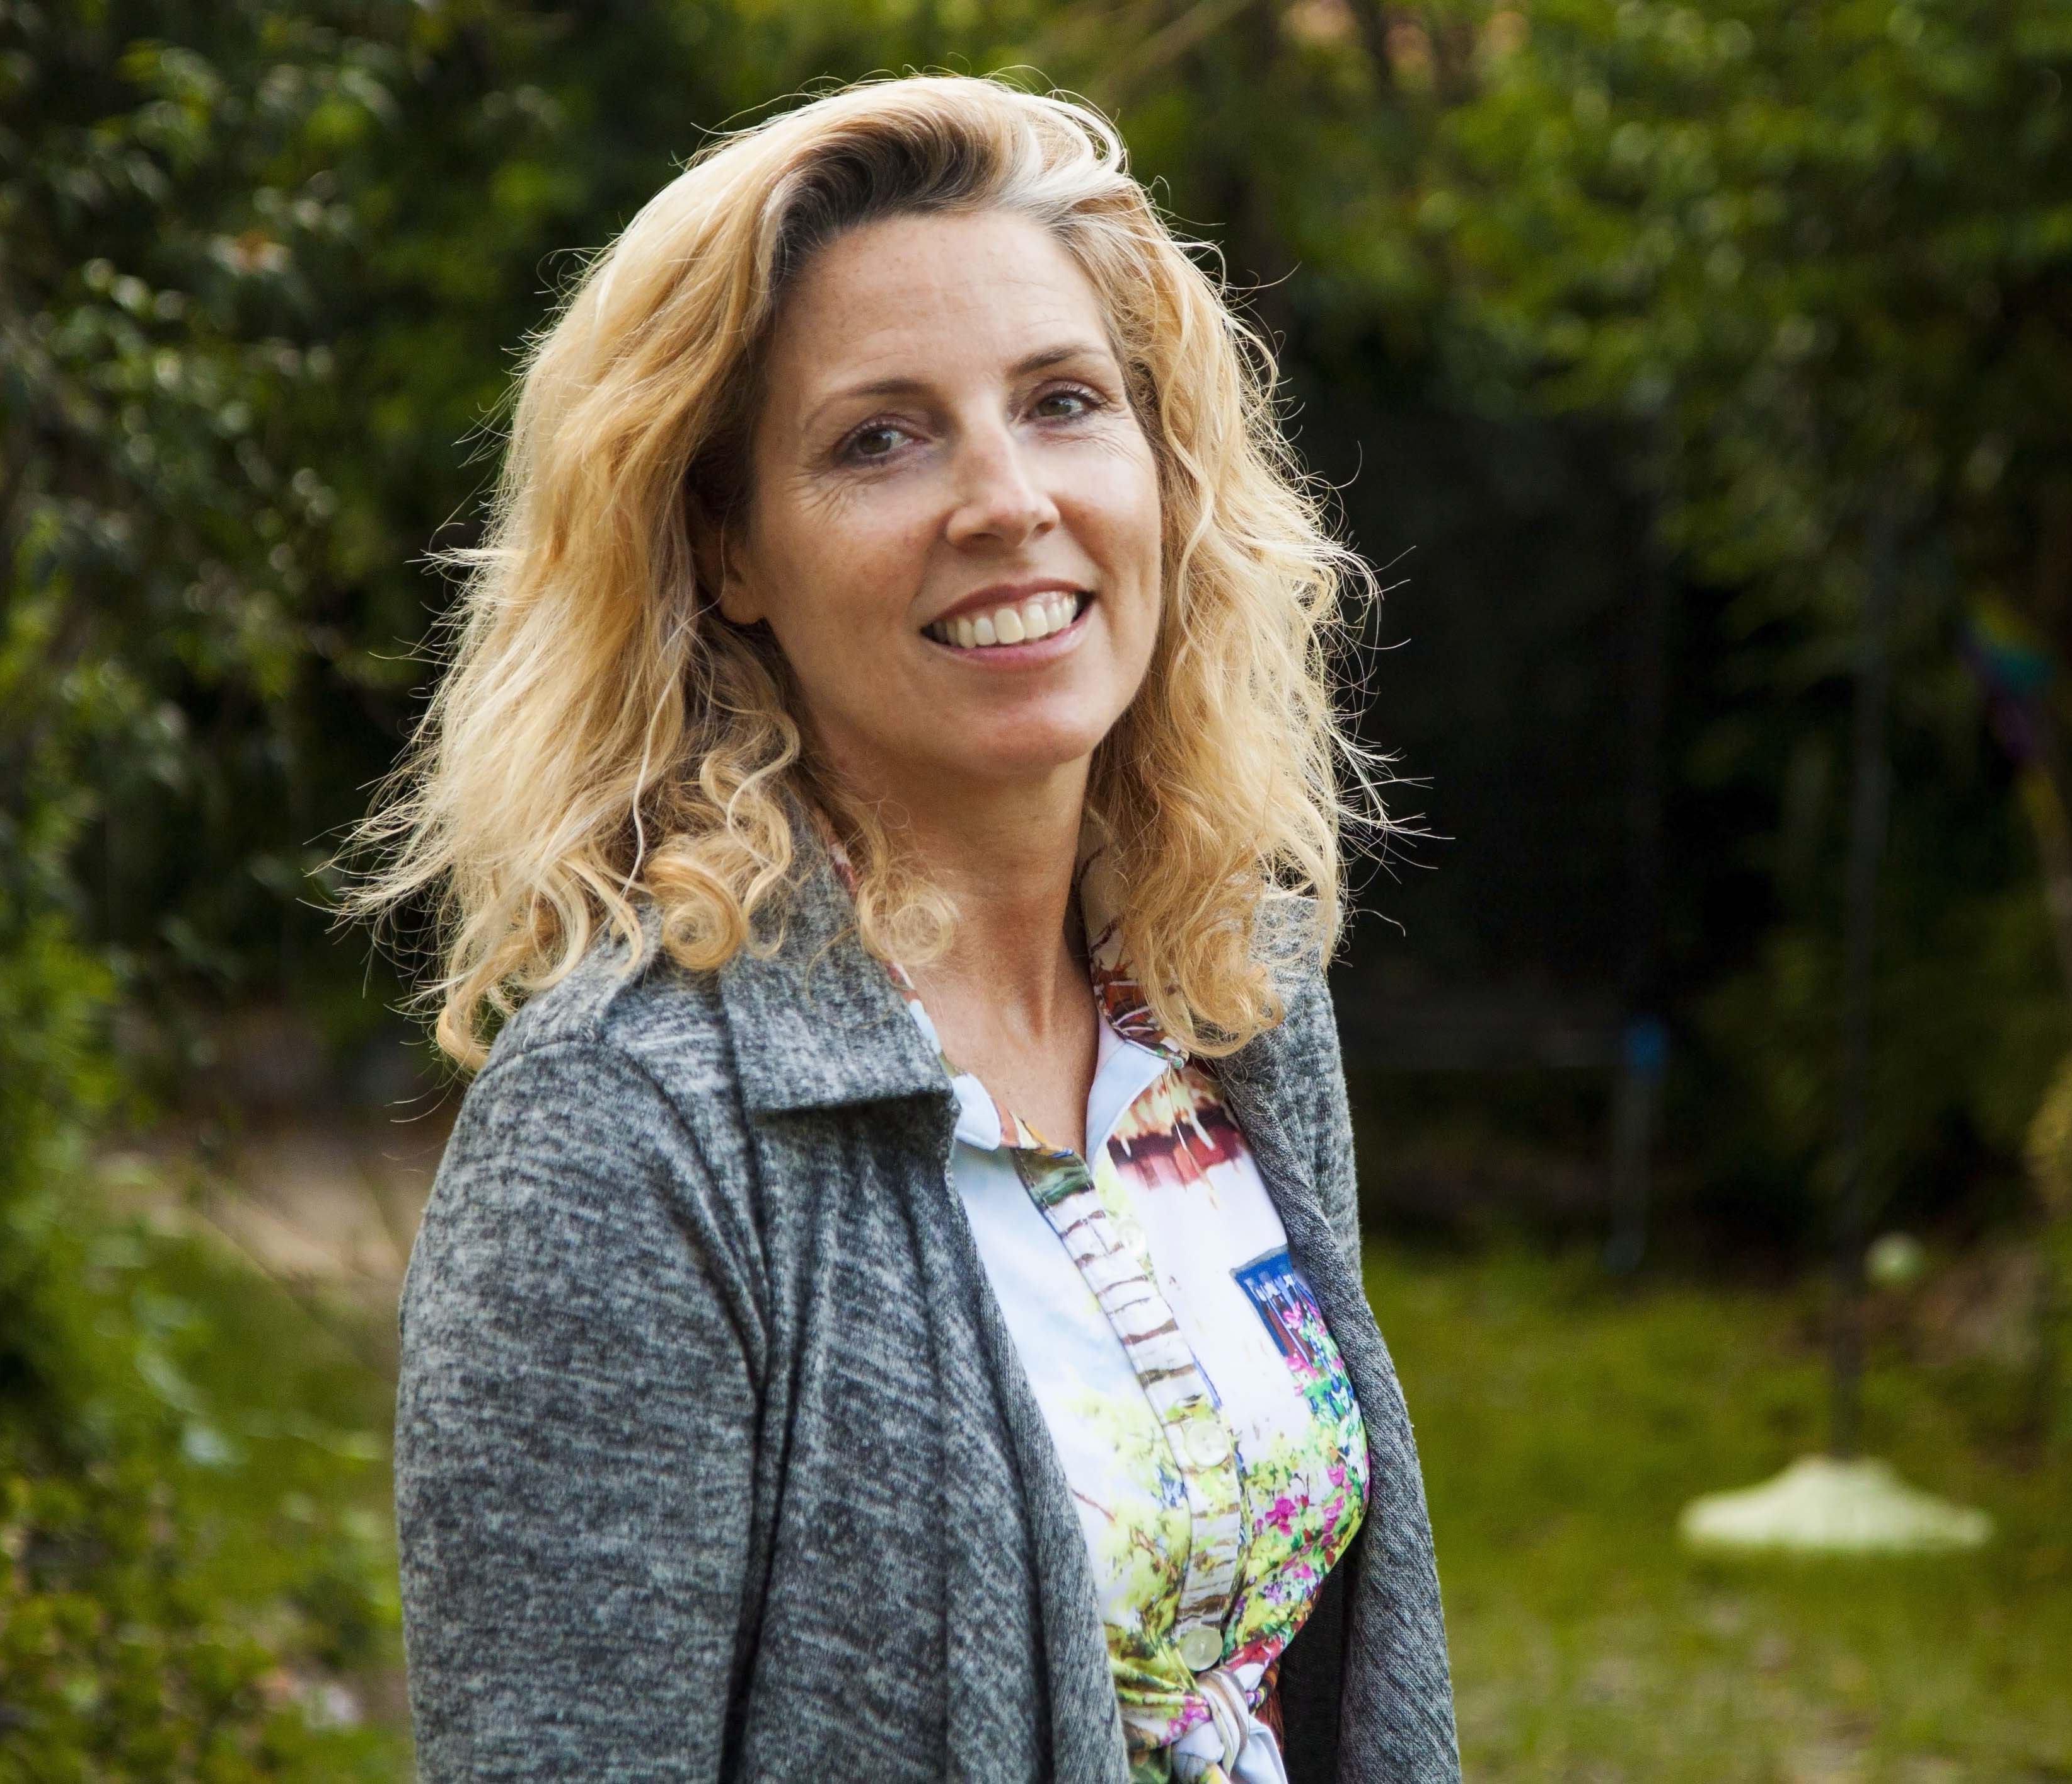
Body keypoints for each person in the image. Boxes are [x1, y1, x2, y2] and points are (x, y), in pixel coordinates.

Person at [354, 72, 1457, 1783]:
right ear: (732, 550)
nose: (1006, 499)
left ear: (1163, 473)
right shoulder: (627, 1127)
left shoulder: (1230, 988)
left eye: (1064, 403)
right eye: (882, 437)